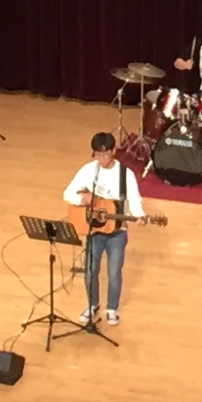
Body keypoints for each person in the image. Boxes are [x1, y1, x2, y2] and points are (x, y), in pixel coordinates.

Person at [62, 133, 146, 327]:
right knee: (90, 271)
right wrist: (82, 199)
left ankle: (112, 308)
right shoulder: (88, 170)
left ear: (113, 151)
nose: (101, 159)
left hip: (117, 232)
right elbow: (67, 193)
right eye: (97, 155)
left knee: (114, 272)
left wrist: (140, 215)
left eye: (105, 155)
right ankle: (92, 305)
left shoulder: (125, 174)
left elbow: (134, 200)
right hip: (95, 230)